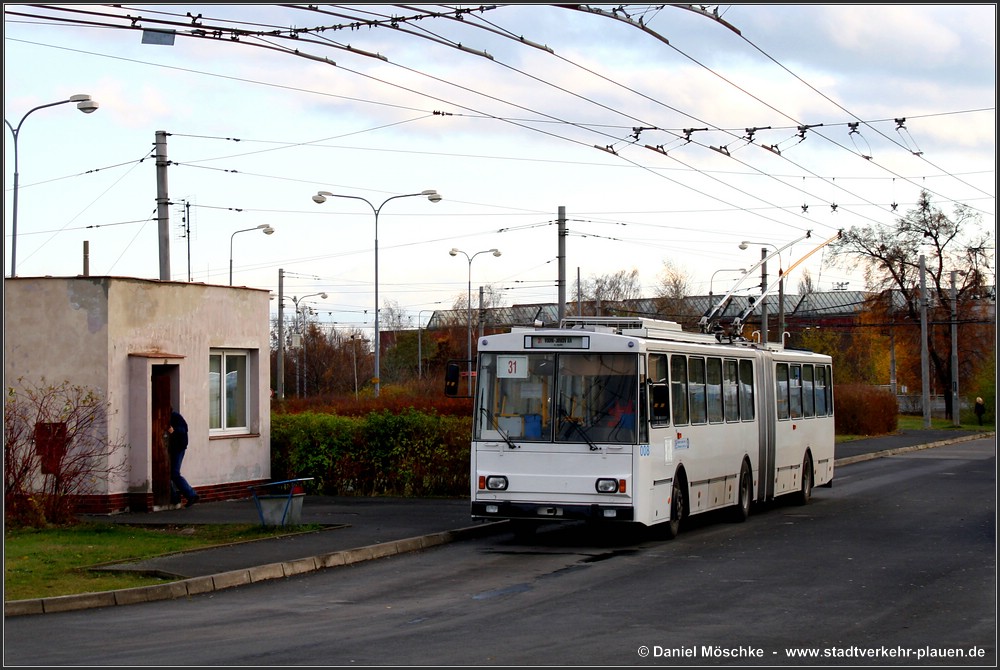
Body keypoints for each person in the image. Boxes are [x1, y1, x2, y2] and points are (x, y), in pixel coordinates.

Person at [167, 409, 199, 507]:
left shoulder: (175, 417)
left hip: (178, 448)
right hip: (173, 448)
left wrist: (174, 430)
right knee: (169, 474)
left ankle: (191, 495)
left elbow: (183, 429)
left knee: (174, 473)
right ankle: (175, 497)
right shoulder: (173, 417)